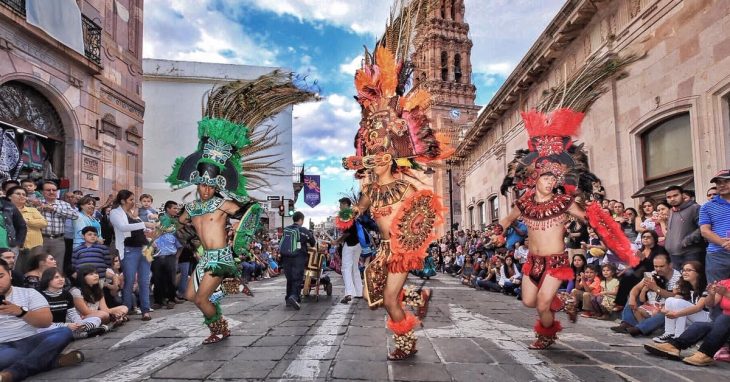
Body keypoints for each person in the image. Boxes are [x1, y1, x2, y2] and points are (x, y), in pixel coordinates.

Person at [166, 72, 317, 344]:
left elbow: (251, 213)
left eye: (212, 185)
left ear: (217, 184)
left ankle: (219, 328)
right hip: (204, 258)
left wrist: (239, 242)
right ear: (197, 182)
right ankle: (220, 313)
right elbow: (181, 222)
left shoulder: (223, 203)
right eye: (203, 184)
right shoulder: (191, 207)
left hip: (221, 257)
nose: (207, 189)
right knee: (190, 296)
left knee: (200, 297)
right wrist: (167, 228)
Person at [339, 45, 448, 360]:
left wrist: (412, 245)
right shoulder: (370, 190)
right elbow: (356, 210)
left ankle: (406, 343)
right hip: (382, 251)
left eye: (381, 156)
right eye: (371, 157)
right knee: (381, 296)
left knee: (388, 300)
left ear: (393, 158)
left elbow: (423, 218)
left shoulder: (405, 187)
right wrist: (346, 216)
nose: (374, 161)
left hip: (401, 251)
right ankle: (418, 297)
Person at [499, 108, 638, 349]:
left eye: (554, 179)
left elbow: (588, 219)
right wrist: (497, 231)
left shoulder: (565, 203)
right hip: (532, 261)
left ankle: (546, 335)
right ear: (535, 179)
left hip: (556, 262)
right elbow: (506, 221)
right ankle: (564, 301)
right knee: (529, 302)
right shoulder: (523, 203)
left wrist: (597, 215)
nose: (550, 181)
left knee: (542, 304)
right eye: (546, 178)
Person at [0, 258, 84, 381]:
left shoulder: (29, 293)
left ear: (10, 274)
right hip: (3, 347)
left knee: (64, 332)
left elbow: (45, 322)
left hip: (32, 340)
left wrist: (20, 312)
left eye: (1, 276)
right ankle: (52, 361)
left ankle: (13, 373)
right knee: (7, 357)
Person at [643, 277, 730, 366]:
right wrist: (711, 294)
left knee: (724, 320)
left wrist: (726, 293)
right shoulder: (725, 283)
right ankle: (674, 346)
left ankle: (706, 353)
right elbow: (710, 304)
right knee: (700, 325)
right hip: (723, 320)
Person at [110, 190, 157, 321]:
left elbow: (140, 231)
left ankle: (145, 310)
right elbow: (123, 227)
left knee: (145, 280)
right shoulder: (115, 213)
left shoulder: (134, 213)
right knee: (129, 280)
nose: (133, 202)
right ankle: (125, 310)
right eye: (131, 199)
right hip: (129, 249)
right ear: (122, 200)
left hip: (145, 249)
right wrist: (144, 224)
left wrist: (150, 238)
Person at [611, 253, 681, 336]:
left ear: (670, 265)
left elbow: (675, 297)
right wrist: (632, 298)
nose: (658, 269)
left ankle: (640, 328)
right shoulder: (652, 274)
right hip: (652, 304)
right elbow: (636, 289)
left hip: (665, 308)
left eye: (662, 266)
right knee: (632, 296)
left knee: (665, 313)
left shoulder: (678, 277)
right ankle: (627, 323)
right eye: (656, 266)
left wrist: (656, 288)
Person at [38, 267, 105, 338]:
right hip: (50, 326)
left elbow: (72, 313)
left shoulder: (66, 294)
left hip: (67, 326)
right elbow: (43, 322)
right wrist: (66, 325)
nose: (61, 279)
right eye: (56, 277)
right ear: (47, 279)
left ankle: (79, 333)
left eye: (62, 277)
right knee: (43, 329)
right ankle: (81, 334)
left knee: (96, 319)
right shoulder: (40, 296)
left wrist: (79, 324)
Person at [652, 261, 709, 342]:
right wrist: (663, 310)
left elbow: (698, 308)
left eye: (689, 270)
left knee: (679, 303)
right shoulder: (685, 286)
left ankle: (679, 336)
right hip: (692, 318)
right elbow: (674, 301)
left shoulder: (706, 287)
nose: (685, 273)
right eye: (684, 270)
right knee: (670, 300)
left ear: (698, 273)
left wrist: (676, 314)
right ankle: (669, 333)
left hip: (706, 318)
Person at [280, 211, 316, 309]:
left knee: (290, 278)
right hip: (298, 257)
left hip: (286, 257)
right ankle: (294, 297)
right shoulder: (303, 230)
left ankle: (288, 298)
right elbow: (312, 242)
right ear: (301, 220)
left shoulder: (286, 229)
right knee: (297, 278)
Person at [37, 182, 77, 270]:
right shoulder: (37, 202)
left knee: (57, 265)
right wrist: (39, 208)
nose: (51, 192)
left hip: (58, 240)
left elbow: (75, 215)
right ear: (42, 192)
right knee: (39, 264)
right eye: (48, 190)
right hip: (40, 239)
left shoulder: (63, 204)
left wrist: (54, 209)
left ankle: (56, 282)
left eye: (54, 190)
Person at [699, 170, 730, 283]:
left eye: (726, 181)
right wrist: (724, 243)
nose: (721, 185)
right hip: (717, 255)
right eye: (718, 182)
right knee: (716, 291)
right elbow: (705, 231)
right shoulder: (706, 207)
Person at [6, 186, 46, 274]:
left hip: (34, 245)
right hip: (12, 246)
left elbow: (44, 223)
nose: (22, 196)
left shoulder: (32, 210)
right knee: (14, 271)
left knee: (33, 270)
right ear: (9, 197)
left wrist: (26, 221)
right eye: (18, 194)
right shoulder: (5, 211)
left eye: (24, 194)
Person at [151, 201, 182, 309]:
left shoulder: (174, 221)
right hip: (157, 256)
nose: (176, 210)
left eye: (177, 209)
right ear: (168, 209)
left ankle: (171, 299)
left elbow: (180, 243)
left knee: (170, 279)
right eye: (174, 208)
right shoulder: (163, 218)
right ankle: (158, 301)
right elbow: (159, 230)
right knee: (157, 278)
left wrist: (176, 257)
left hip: (170, 255)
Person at [664, 185, 704, 270]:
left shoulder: (695, 208)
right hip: (673, 255)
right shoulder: (671, 211)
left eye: (675, 195)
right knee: (679, 282)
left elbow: (703, 227)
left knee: (692, 281)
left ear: (682, 195)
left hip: (690, 253)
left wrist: (688, 240)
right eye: (669, 197)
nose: (672, 199)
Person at [335, 197, 363, 304]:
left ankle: (349, 293)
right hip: (359, 244)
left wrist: (338, 241)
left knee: (346, 268)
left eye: (341, 204)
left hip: (350, 244)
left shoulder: (347, 215)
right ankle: (359, 292)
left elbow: (347, 232)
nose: (340, 207)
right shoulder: (356, 213)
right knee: (354, 267)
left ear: (345, 204)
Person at [0, 188, 27, 255]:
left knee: (8, 265)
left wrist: (18, 243)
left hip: (8, 245)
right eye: (18, 194)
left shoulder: (9, 206)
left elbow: (22, 226)